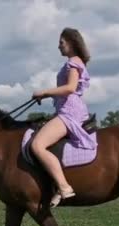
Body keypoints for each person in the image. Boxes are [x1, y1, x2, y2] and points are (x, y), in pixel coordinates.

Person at [31, 27, 97, 207]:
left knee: (38, 145)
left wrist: (45, 92)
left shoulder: (73, 62)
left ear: (72, 43)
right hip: (66, 109)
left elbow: (70, 88)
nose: (58, 46)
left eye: (61, 43)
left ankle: (64, 186)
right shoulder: (74, 62)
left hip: (70, 111)